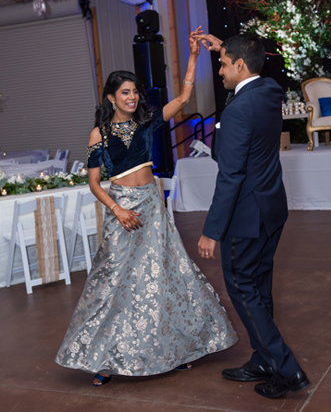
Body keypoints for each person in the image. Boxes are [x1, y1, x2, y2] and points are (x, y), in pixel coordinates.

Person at [55, 28, 237, 386]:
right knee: (114, 281)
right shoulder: (99, 134)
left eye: (135, 91)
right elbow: (94, 181)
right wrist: (118, 210)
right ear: (111, 97)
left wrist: (194, 55)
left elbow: (184, 96)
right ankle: (104, 357)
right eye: (126, 92)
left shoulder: (147, 121)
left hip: (152, 207)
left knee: (166, 275)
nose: (133, 97)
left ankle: (180, 348)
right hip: (122, 209)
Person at [196, 32, 310, 399]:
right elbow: (247, 87)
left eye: (224, 63)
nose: (219, 68)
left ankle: (287, 369)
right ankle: (262, 359)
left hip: (245, 216)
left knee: (244, 289)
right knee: (259, 286)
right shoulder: (269, 91)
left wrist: (212, 231)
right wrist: (225, 48)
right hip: (271, 209)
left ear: (240, 65)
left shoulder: (239, 109)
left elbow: (230, 175)